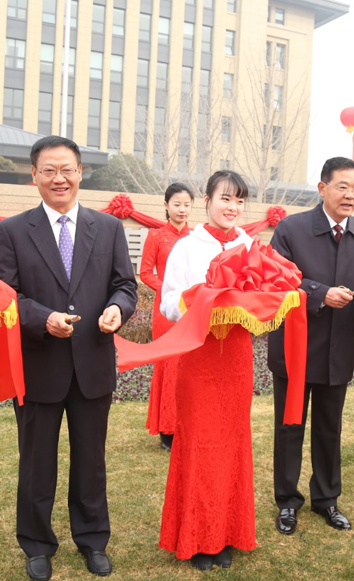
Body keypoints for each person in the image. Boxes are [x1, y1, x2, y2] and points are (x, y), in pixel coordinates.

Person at [0, 136, 138, 581]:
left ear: (80, 173)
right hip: (38, 366)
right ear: (34, 175)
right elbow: (3, 297)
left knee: (91, 461)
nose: (60, 178)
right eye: (49, 170)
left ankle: (92, 539)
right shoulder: (13, 230)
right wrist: (43, 318)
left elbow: (125, 286)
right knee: (37, 462)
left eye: (67, 169)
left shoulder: (108, 228)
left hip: (93, 363)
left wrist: (118, 309)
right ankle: (37, 545)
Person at [268, 157, 354, 535]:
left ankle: (327, 499)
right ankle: (287, 501)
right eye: (342, 187)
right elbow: (276, 279)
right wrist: (319, 293)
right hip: (296, 347)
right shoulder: (291, 229)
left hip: (339, 348)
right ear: (322, 189)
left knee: (329, 428)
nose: (350, 195)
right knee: (290, 427)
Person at [157, 171, 255, 571]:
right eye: (225, 198)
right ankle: (198, 537)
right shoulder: (187, 247)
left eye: (239, 201)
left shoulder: (249, 245)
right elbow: (167, 303)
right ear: (207, 200)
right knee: (198, 443)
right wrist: (199, 301)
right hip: (198, 357)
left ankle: (227, 532)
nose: (232, 207)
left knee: (232, 443)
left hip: (236, 357)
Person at [140, 183, 193, 451]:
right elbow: (145, 273)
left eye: (187, 205)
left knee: (189, 366)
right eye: (177, 204)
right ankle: (167, 429)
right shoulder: (157, 236)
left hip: (192, 310)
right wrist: (171, 290)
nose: (182, 209)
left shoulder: (196, 238)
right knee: (169, 366)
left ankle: (187, 425)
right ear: (166, 205)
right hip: (166, 311)